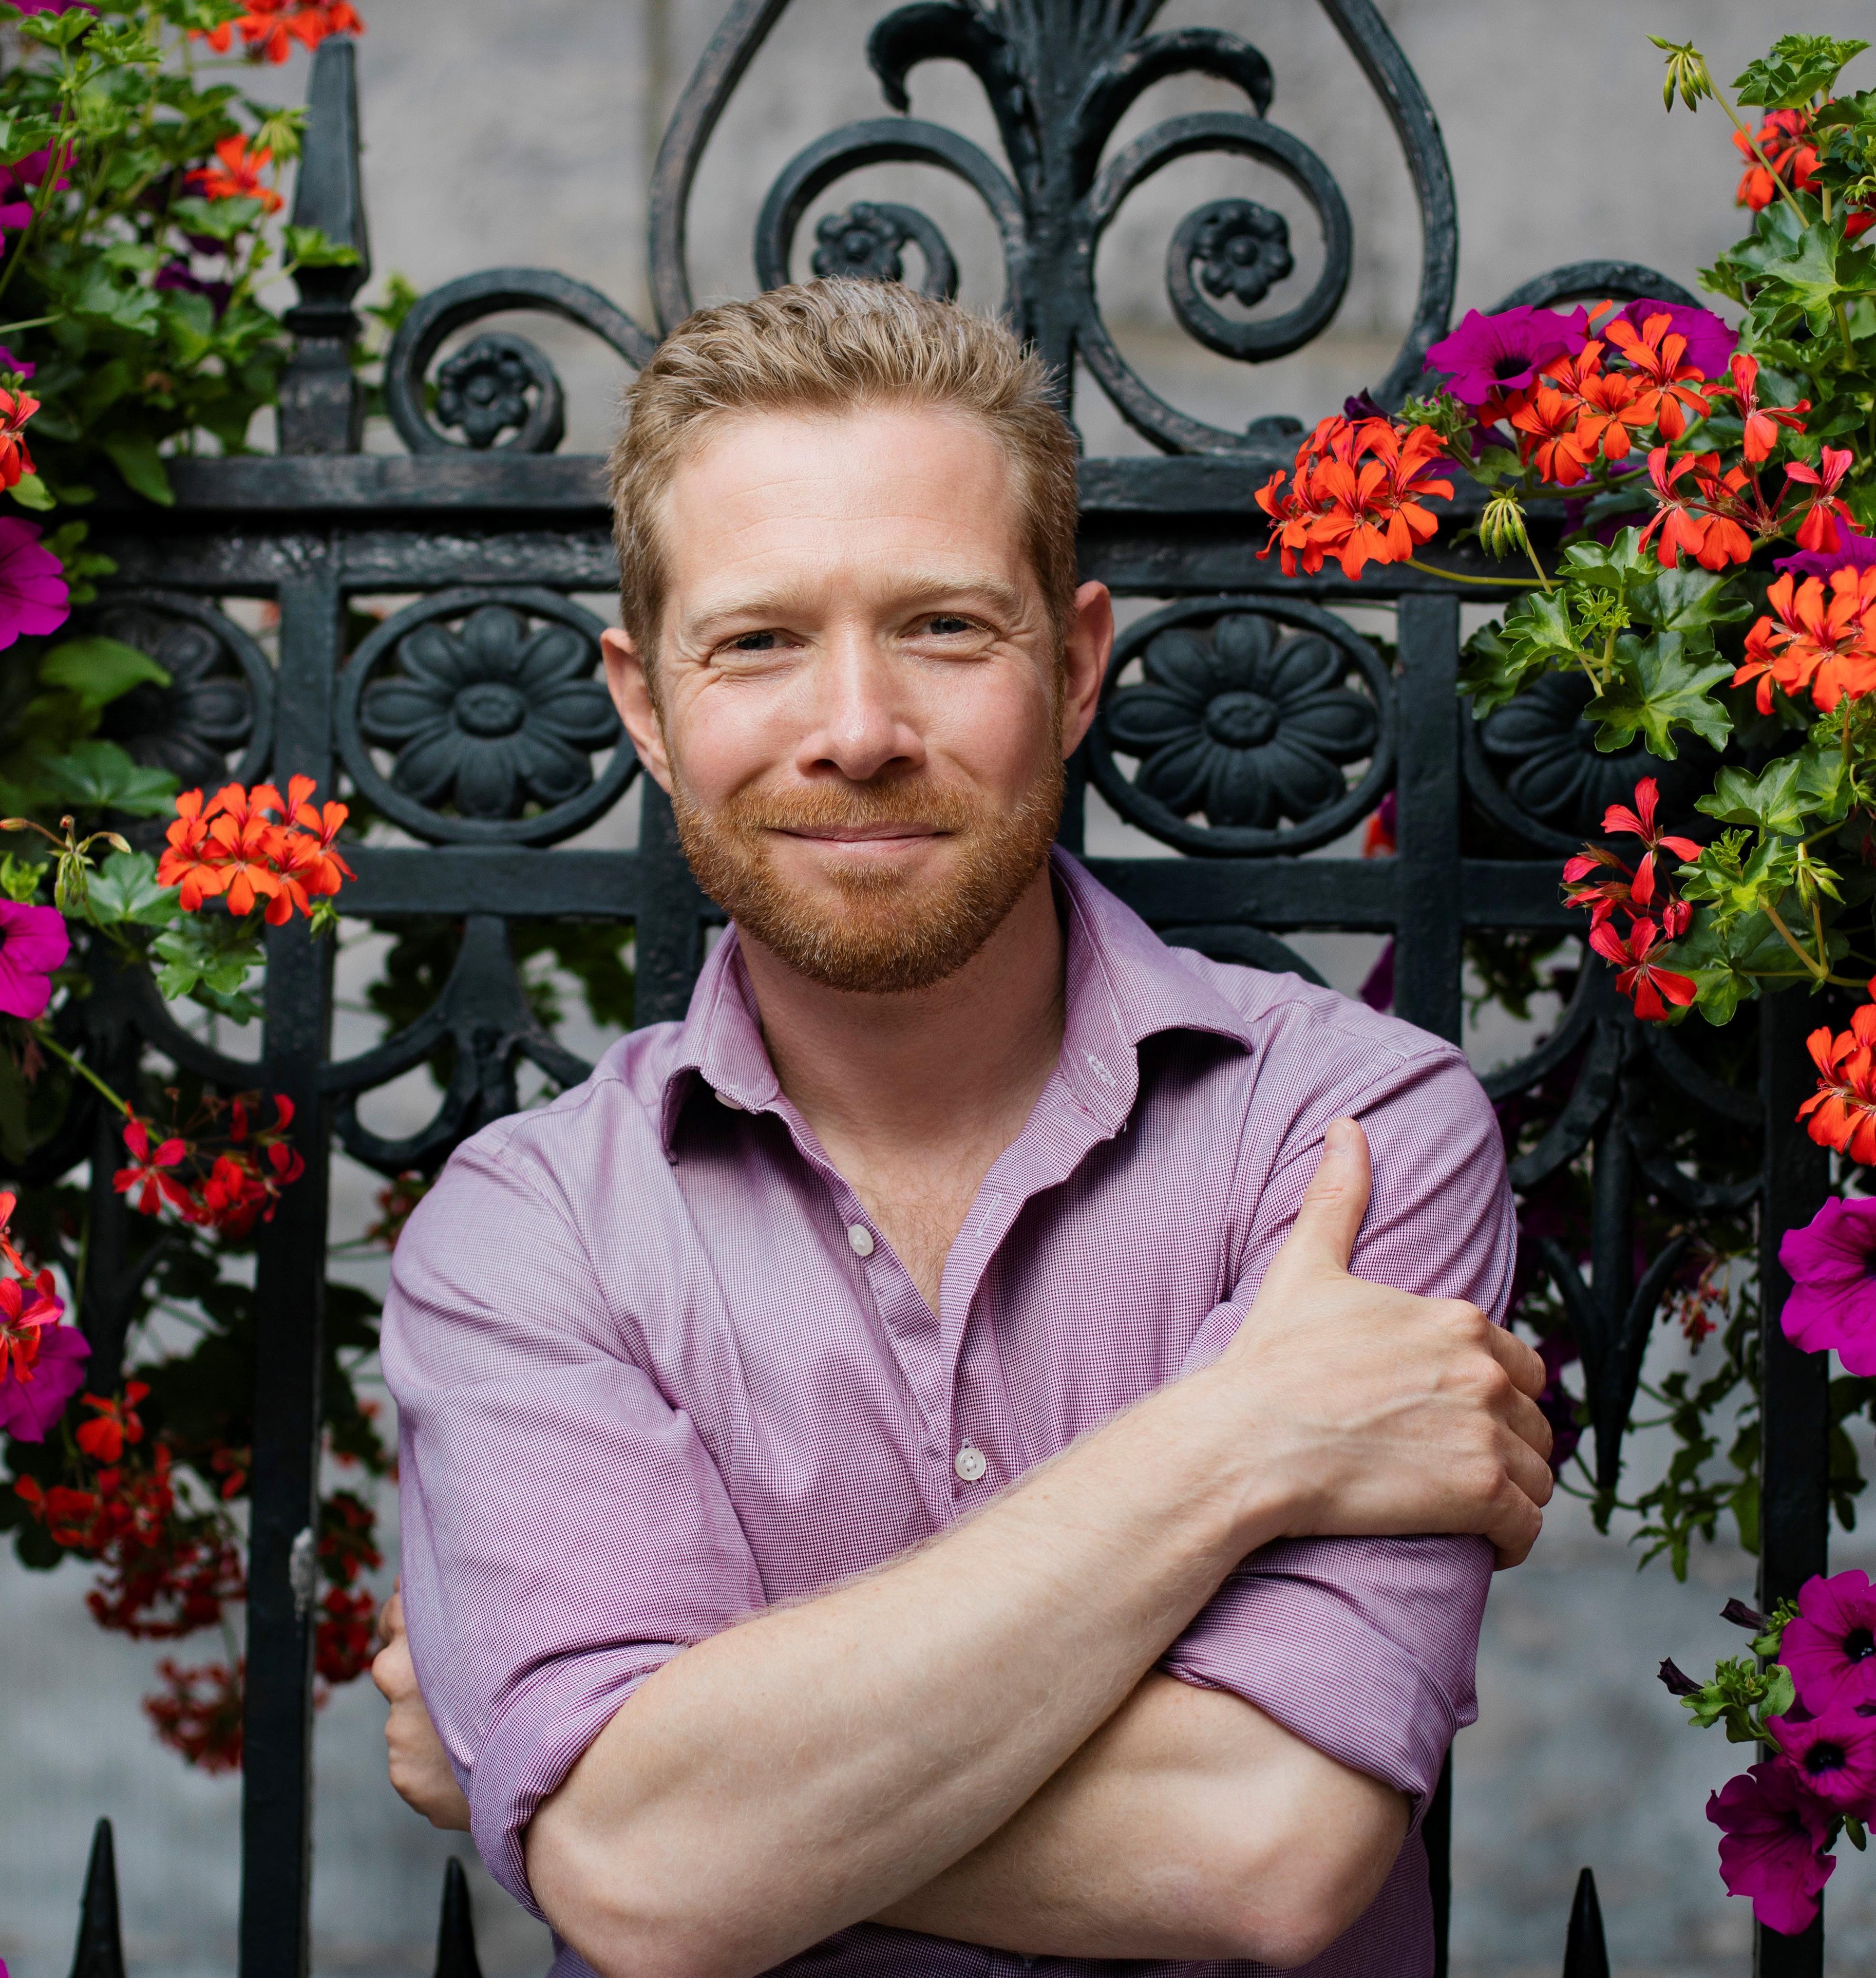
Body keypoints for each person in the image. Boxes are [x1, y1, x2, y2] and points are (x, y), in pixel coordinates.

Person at [373, 278, 1553, 1978]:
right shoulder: (525, 1227)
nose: (856, 730)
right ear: (642, 705)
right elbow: (640, 1876)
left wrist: (653, 1805)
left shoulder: (1349, 1127)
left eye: (940, 627)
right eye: (760, 640)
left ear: (1073, 668)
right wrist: (1239, 1441)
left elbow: (1268, 1845)